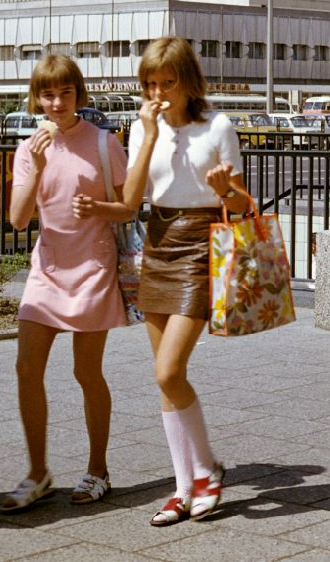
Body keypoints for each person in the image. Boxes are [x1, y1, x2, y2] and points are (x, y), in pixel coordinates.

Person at [124, 37, 251, 526]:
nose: (158, 91)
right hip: (157, 240)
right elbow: (133, 198)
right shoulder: (143, 128)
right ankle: (185, 485)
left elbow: (241, 202)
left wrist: (224, 190)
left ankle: (207, 471)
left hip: (201, 241)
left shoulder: (217, 125)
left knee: (168, 370)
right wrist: (150, 134)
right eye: (150, 83)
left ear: (187, 80)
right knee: (164, 376)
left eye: (167, 82)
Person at [3, 55, 129, 513]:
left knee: (86, 372)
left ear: (79, 95)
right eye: (48, 94)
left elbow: (131, 206)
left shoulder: (103, 142)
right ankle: (38, 473)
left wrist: (96, 209)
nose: (56, 103)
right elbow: (18, 220)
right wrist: (35, 165)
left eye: (65, 93)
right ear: (37, 98)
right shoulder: (28, 148)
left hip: (92, 269)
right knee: (25, 369)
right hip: (47, 270)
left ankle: (98, 469)